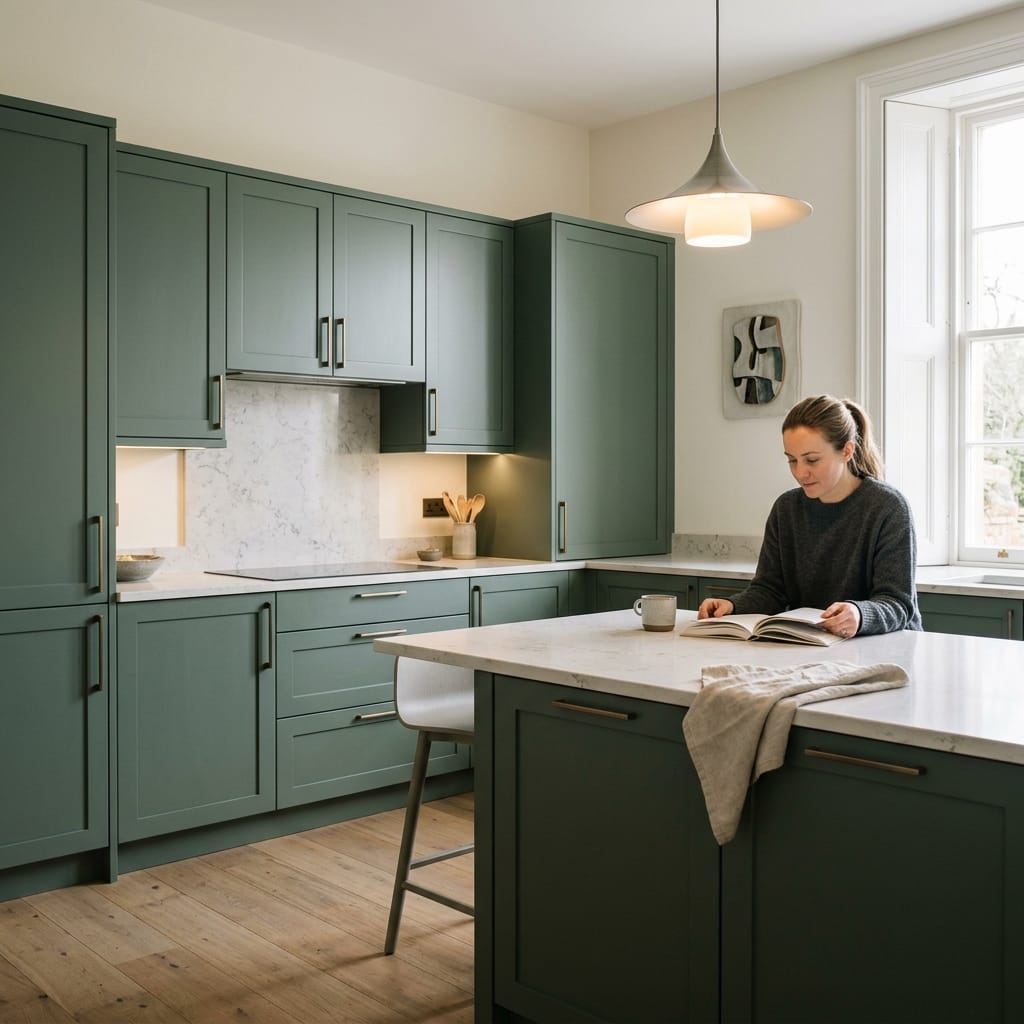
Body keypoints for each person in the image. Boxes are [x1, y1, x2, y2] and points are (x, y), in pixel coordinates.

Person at [697, 395, 922, 637]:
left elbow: (898, 604)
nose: (800, 472)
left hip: (886, 648)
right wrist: (733, 605)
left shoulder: (888, 507)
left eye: (812, 460)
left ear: (847, 451)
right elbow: (770, 591)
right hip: (814, 645)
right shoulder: (786, 509)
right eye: (792, 460)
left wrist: (858, 614)